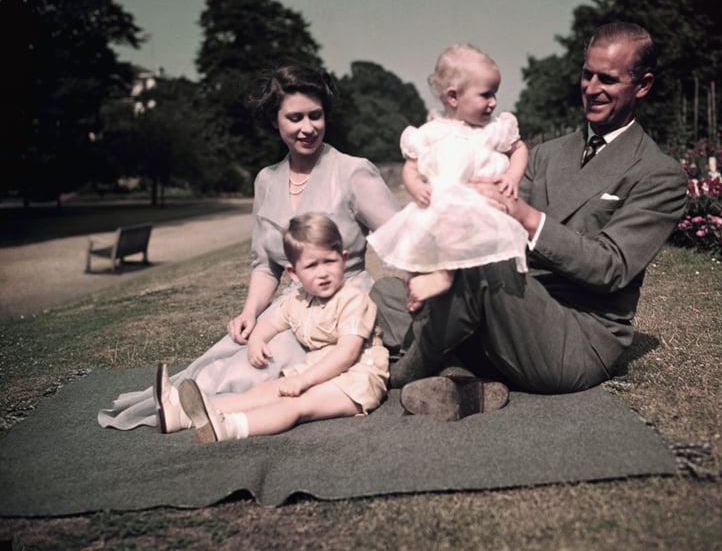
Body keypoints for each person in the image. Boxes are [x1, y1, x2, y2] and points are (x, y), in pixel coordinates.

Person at [375, 22, 689, 419]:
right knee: (388, 291)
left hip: (573, 334)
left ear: (642, 86)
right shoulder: (545, 154)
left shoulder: (658, 174)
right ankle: (465, 379)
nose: (591, 88)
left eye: (607, 79)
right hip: (508, 304)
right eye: (586, 74)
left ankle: (415, 367)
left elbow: (611, 268)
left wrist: (524, 217)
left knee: (479, 262)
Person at [98, 64, 400, 431]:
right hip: (292, 306)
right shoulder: (266, 180)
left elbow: (402, 239)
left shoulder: (353, 171)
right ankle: (179, 408)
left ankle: (199, 413)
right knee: (228, 354)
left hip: (340, 310)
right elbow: (265, 265)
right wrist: (249, 313)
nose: (308, 127)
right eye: (295, 117)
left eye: (315, 115)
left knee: (252, 369)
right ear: (275, 121)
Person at [172, 213, 389, 442]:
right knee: (265, 391)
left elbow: (347, 353)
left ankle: (230, 427)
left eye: (329, 261)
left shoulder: (353, 299)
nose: (322, 272)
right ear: (294, 273)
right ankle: (186, 415)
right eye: (312, 266)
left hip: (357, 380)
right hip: (317, 374)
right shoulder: (299, 299)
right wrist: (257, 340)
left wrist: (303, 381)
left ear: (343, 259)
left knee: (294, 404)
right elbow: (273, 322)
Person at [367, 44, 530, 312]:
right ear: (453, 97)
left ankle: (444, 277)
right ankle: (420, 286)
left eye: (495, 94)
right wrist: (415, 185)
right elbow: (410, 167)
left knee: (467, 249)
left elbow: (520, 148)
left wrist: (513, 175)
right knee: (421, 243)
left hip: (479, 204)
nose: (494, 102)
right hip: (441, 204)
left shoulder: (494, 129)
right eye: (486, 94)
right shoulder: (430, 133)